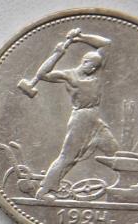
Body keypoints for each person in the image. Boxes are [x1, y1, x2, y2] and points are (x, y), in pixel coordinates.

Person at [34, 30, 117, 201]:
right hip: (81, 119)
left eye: (96, 67)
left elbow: (106, 43)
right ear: (84, 62)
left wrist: (80, 38)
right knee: (68, 157)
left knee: (115, 150)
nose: (94, 69)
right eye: (91, 65)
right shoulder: (69, 75)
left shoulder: (96, 72)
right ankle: (43, 191)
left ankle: (125, 186)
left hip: (95, 119)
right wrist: (57, 54)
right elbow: (42, 75)